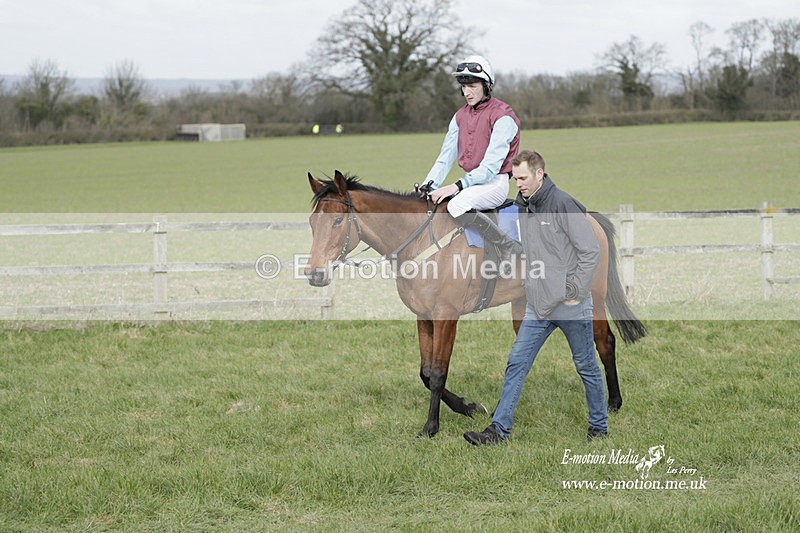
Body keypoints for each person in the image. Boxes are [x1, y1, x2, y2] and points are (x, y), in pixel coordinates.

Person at [463, 149, 608, 445]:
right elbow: (532, 252)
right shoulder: (524, 206)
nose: (519, 184)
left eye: (523, 178)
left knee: (587, 367)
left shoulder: (563, 204)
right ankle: (497, 432)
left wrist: (575, 291)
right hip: (538, 305)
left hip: (570, 306)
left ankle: (599, 427)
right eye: (516, 178)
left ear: (540, 174)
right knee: (517, 363)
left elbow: (590, 251)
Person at [421, 55, 522, 263]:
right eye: (463, 87)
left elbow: (490, 168)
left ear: (487, 85)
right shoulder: (459, 116)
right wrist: (427, 186)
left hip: (495, 183)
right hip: (472, 184)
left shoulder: (504, 116)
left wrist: (456, 186)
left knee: (456, 206)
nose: (466, 92)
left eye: (472, 86)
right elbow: (444, 159)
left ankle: (506, 247)